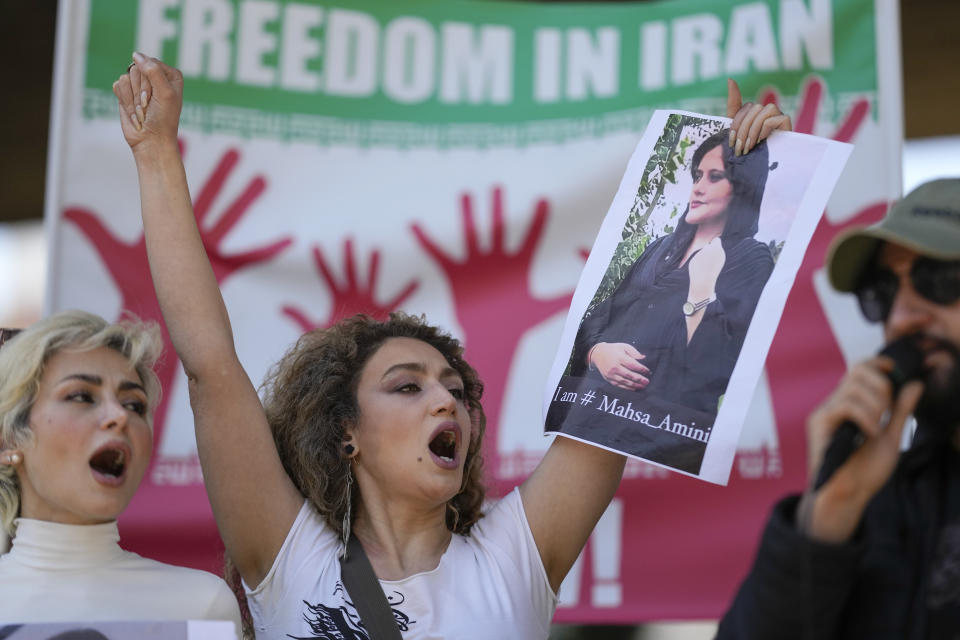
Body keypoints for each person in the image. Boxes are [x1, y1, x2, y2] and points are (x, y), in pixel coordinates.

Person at [115, 53, 788, 639]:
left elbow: (643, 350)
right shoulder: (288, 556)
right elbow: (209, 364)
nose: (449, 401)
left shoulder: (516, 559)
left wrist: (752, 175)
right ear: (344, 433)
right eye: (408, 385)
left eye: (458, 391)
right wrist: (154, 154)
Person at [717, 178, 960, 639]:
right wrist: (825, 522)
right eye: (884, 292)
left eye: (939, 280)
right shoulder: (875, 503)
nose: (903, 317)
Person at [0, 310, 241, 630]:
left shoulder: (203, 604)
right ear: (8, 441)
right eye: (82, 396)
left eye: (134, 405)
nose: (120, 416)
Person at [569, 127, 776, 416]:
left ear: (743, 187)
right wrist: (598, 353)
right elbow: (602, 315)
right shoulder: (660, 248)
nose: (698, 187)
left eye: (714, 177)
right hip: (598, 411)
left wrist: (701, 291)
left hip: (669, 430)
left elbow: (722, 364)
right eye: (697, 176)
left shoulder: (751, 259)